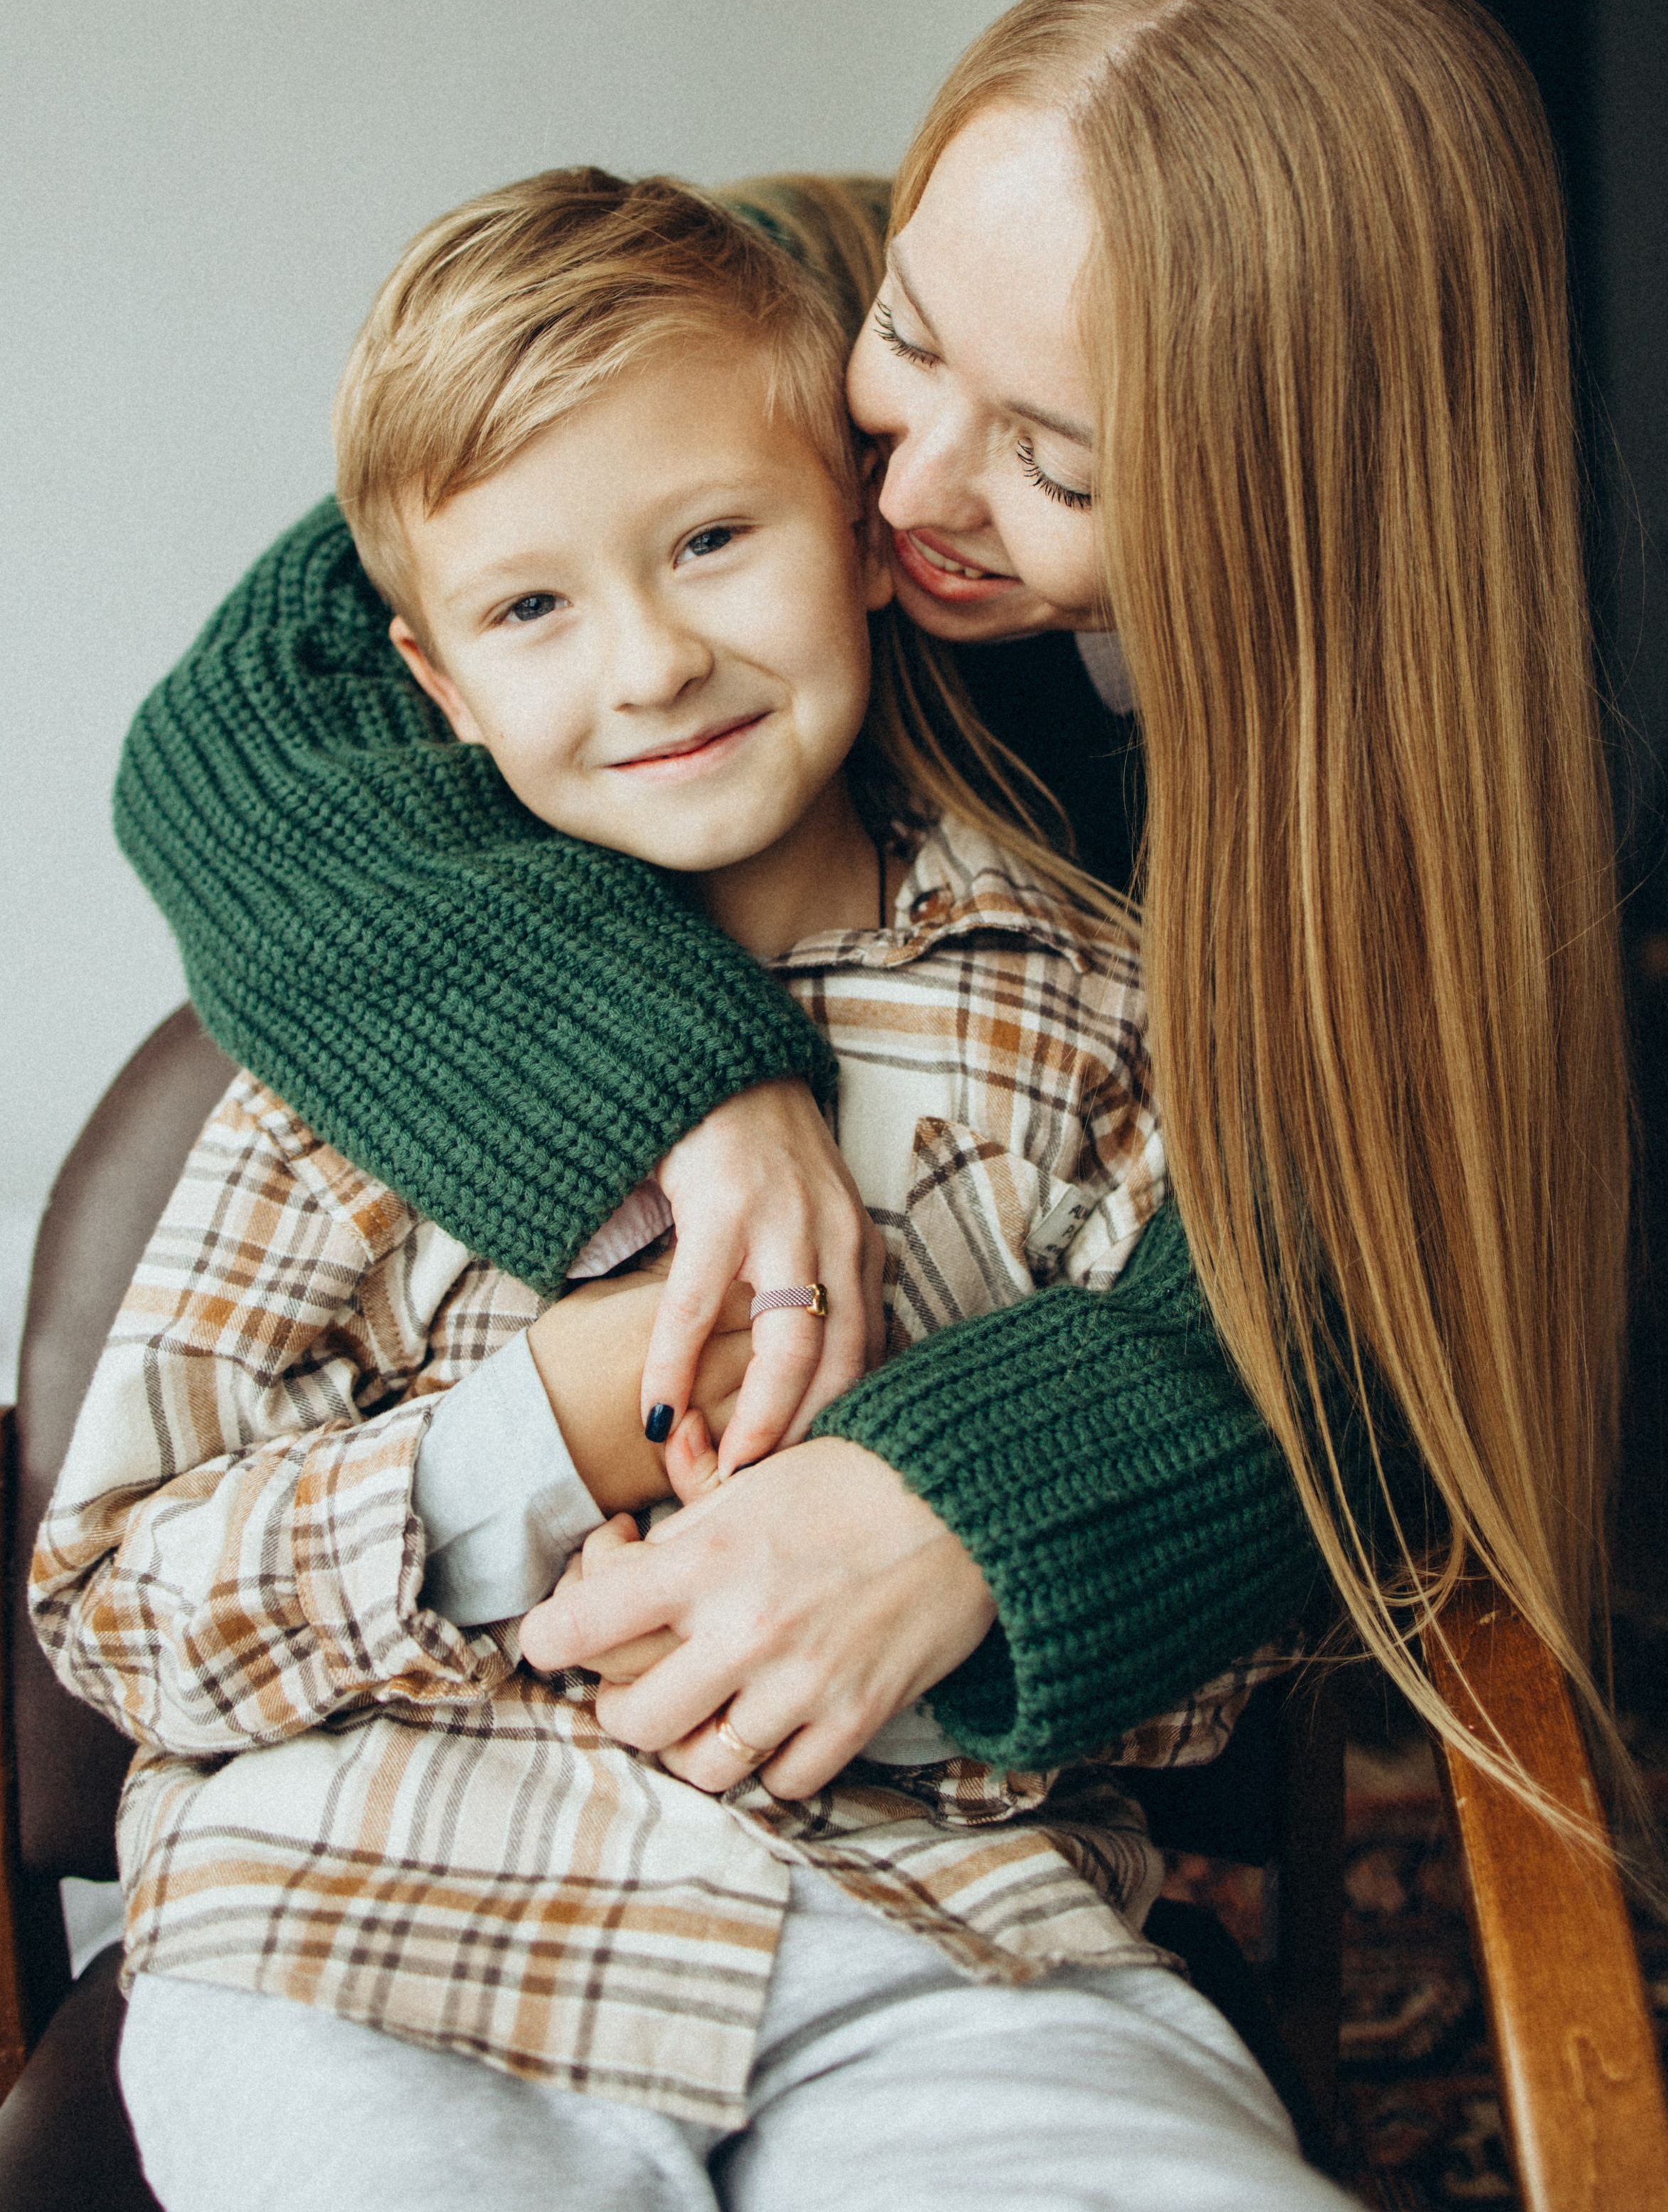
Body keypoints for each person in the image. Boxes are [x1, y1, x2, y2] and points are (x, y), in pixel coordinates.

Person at [111, 0, 1631, 1831]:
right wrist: (698, 1088)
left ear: (1304, 502)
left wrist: (953, 1504)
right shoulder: (787, 296)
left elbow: (1353, 1311)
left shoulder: (1396, 822)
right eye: (908, 341)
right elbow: (254, 722)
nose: (900, 496)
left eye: (1061, 470)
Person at [38, 169, 1346, 2210]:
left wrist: (977, 1565)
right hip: (366, 1924)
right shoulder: (349, 1055)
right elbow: (113, 1598)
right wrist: (523, 1438)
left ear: (868, 537)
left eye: (715, 541)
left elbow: (1268, 1618)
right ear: (437, 683)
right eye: (536, 605)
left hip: (955, 1941)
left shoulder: (1104, 1020)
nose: (648, 662)